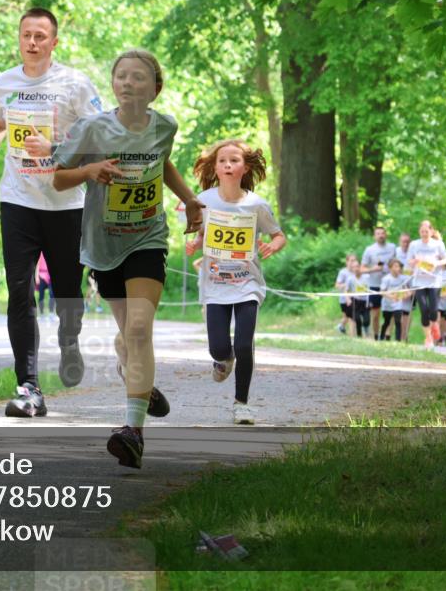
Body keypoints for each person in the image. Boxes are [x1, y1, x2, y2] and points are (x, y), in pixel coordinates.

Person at [54, 48, 204, 467]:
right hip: (103, 248)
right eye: (121, 75)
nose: (127, 82)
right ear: (113, 84)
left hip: (147, 239)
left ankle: (132, 431)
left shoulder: (165, 126)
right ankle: (136, 374)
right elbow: (59, 176)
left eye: (138, 77)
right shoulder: (91, 129)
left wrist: (190, 200)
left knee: (139, 330)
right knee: (128, 338)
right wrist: (89, 171)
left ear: (155, 88)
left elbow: (163, 164)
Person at [0, 7, 104, 415]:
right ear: (19, 38)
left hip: (65, 201)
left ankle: (69, 341)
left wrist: (59, 151)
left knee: (66, 290)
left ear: (54, 42)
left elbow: (100, 133)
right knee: (20, 292)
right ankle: (28, 388)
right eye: (27, 34)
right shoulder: (3, 82)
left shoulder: (75, 84)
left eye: (41, 36)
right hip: (18, 197)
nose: (32, 42)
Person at [185, 139, 286, 427]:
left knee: (244, 344)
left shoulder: (256, 205)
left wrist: (272, 246)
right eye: (223, 161)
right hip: (215, 285)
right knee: (219, 348)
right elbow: (203, 232)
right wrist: (196, 243)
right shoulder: (204, 200)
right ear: (215, 168)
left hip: (247, 285)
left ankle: (242, 403)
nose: (228, 165)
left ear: (246, 167)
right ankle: (222, 359)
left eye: (235, 160)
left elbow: (279, 235)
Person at [407, 220, 446, 349]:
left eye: (427, 231)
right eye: (422, 231)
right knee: (423, 310)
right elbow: (409, 260)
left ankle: (435, 325)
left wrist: (436, 263)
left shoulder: (438, 244)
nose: (424, 233)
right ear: (419, 232)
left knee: (433, 310)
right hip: (419, 281)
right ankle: (428, 338)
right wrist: (415, 261)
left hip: (434, 281)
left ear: (431, 232)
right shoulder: (414, 244)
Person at [361, 227, 397, 340]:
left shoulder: (392, 247)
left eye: (382, 233)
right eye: (378, 234)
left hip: (390, 286)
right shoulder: (369, 250)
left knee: (390, 313)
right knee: (375, 315)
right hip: (374, 285)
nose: (381, 235)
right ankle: (376, 336)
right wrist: (374, 269)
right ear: (374, 236)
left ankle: (387, 336)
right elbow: (362, 269)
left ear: (386, 235)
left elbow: (397, 264)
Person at [380, 258, 410, 341]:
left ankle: (398, 341)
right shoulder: (386, 279)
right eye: (395, 266)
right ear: (390, 268)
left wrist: (406, 295)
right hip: (387, 304)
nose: (398, 268)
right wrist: (391, 297)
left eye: (399, 266)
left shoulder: (402, 279)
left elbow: (407, 290)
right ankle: (381, 337)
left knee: (398, 322)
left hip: (398, 305)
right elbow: (382, 292)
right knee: (387, 322)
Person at [335, 254, 358, 335]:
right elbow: (337, 285)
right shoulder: (343, 272)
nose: (353, 263)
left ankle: (342, 327)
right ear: (347, 262)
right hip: (344, 299)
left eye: (355, 260)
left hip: (355, 298)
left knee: (350, 317)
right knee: (349, 317)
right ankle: (350, 334)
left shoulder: (357, 271)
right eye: (351, 261)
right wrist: (347, 285)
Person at [348, 263, 372, 338]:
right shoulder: (350, 279)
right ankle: (359, 336)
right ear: (352, 269)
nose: (356, 269)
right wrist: (348, 299)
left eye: (357, 267)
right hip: (355, 301)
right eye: (354, 267)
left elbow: (370, 289)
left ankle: (366, 330)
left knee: (366, 320)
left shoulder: (367, 277)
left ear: (360, 267)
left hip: (365, 301)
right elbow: (347, 290)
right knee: (357, 319)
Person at [35, 252, 55, 321]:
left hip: (50, 275)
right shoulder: (40, 252)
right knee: (41, 295)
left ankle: (51, 313)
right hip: (41, 275)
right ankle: (41, 314)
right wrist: (36, 276)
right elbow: (37, 263)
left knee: (52, 294)